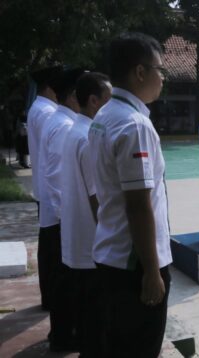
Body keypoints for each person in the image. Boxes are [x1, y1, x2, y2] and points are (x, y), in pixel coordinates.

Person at [88, 32, 171, 357]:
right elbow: (138, 206)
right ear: (139, 72)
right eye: (159, 70)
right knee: (139, 347)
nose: (162, 78)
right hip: (134, 264)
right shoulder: (134, 125)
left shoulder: (104, 116)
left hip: (111, 253)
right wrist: (152, 271)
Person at [59, 72, 112, 357]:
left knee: (85, 318)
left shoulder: (74, 131)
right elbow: (97, 199)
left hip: (76, 240)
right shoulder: (89, 137)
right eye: (108, 100)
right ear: (93, 101)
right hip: (92, 244)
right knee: (96, 323)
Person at [40, 67, 86, 352]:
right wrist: (68, 219)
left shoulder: (60, 121)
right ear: (72, 97)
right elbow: (57, 178)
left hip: (60, 217)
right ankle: (63, 334)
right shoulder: (65, 126)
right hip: (62, 220)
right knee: (66, 281)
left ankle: (62, 331)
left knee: (63, 280)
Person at [27, 65, 61, 311]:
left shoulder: (37, 108)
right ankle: (52, 298)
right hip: (51, 193)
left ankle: (48, 296)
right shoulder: (49, 112)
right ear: (50, 88)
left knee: (47, 248)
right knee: (53, 251)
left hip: (43, 188)